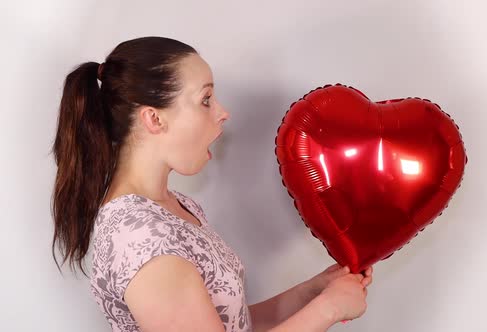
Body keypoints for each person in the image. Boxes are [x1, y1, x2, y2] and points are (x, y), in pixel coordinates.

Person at [50, 36, 373, 332]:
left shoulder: (175, 207)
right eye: (205, 99)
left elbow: (232, 323)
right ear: (154, 119)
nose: (222, 113)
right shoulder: (141, 239)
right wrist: (329, 309)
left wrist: (314, 292)